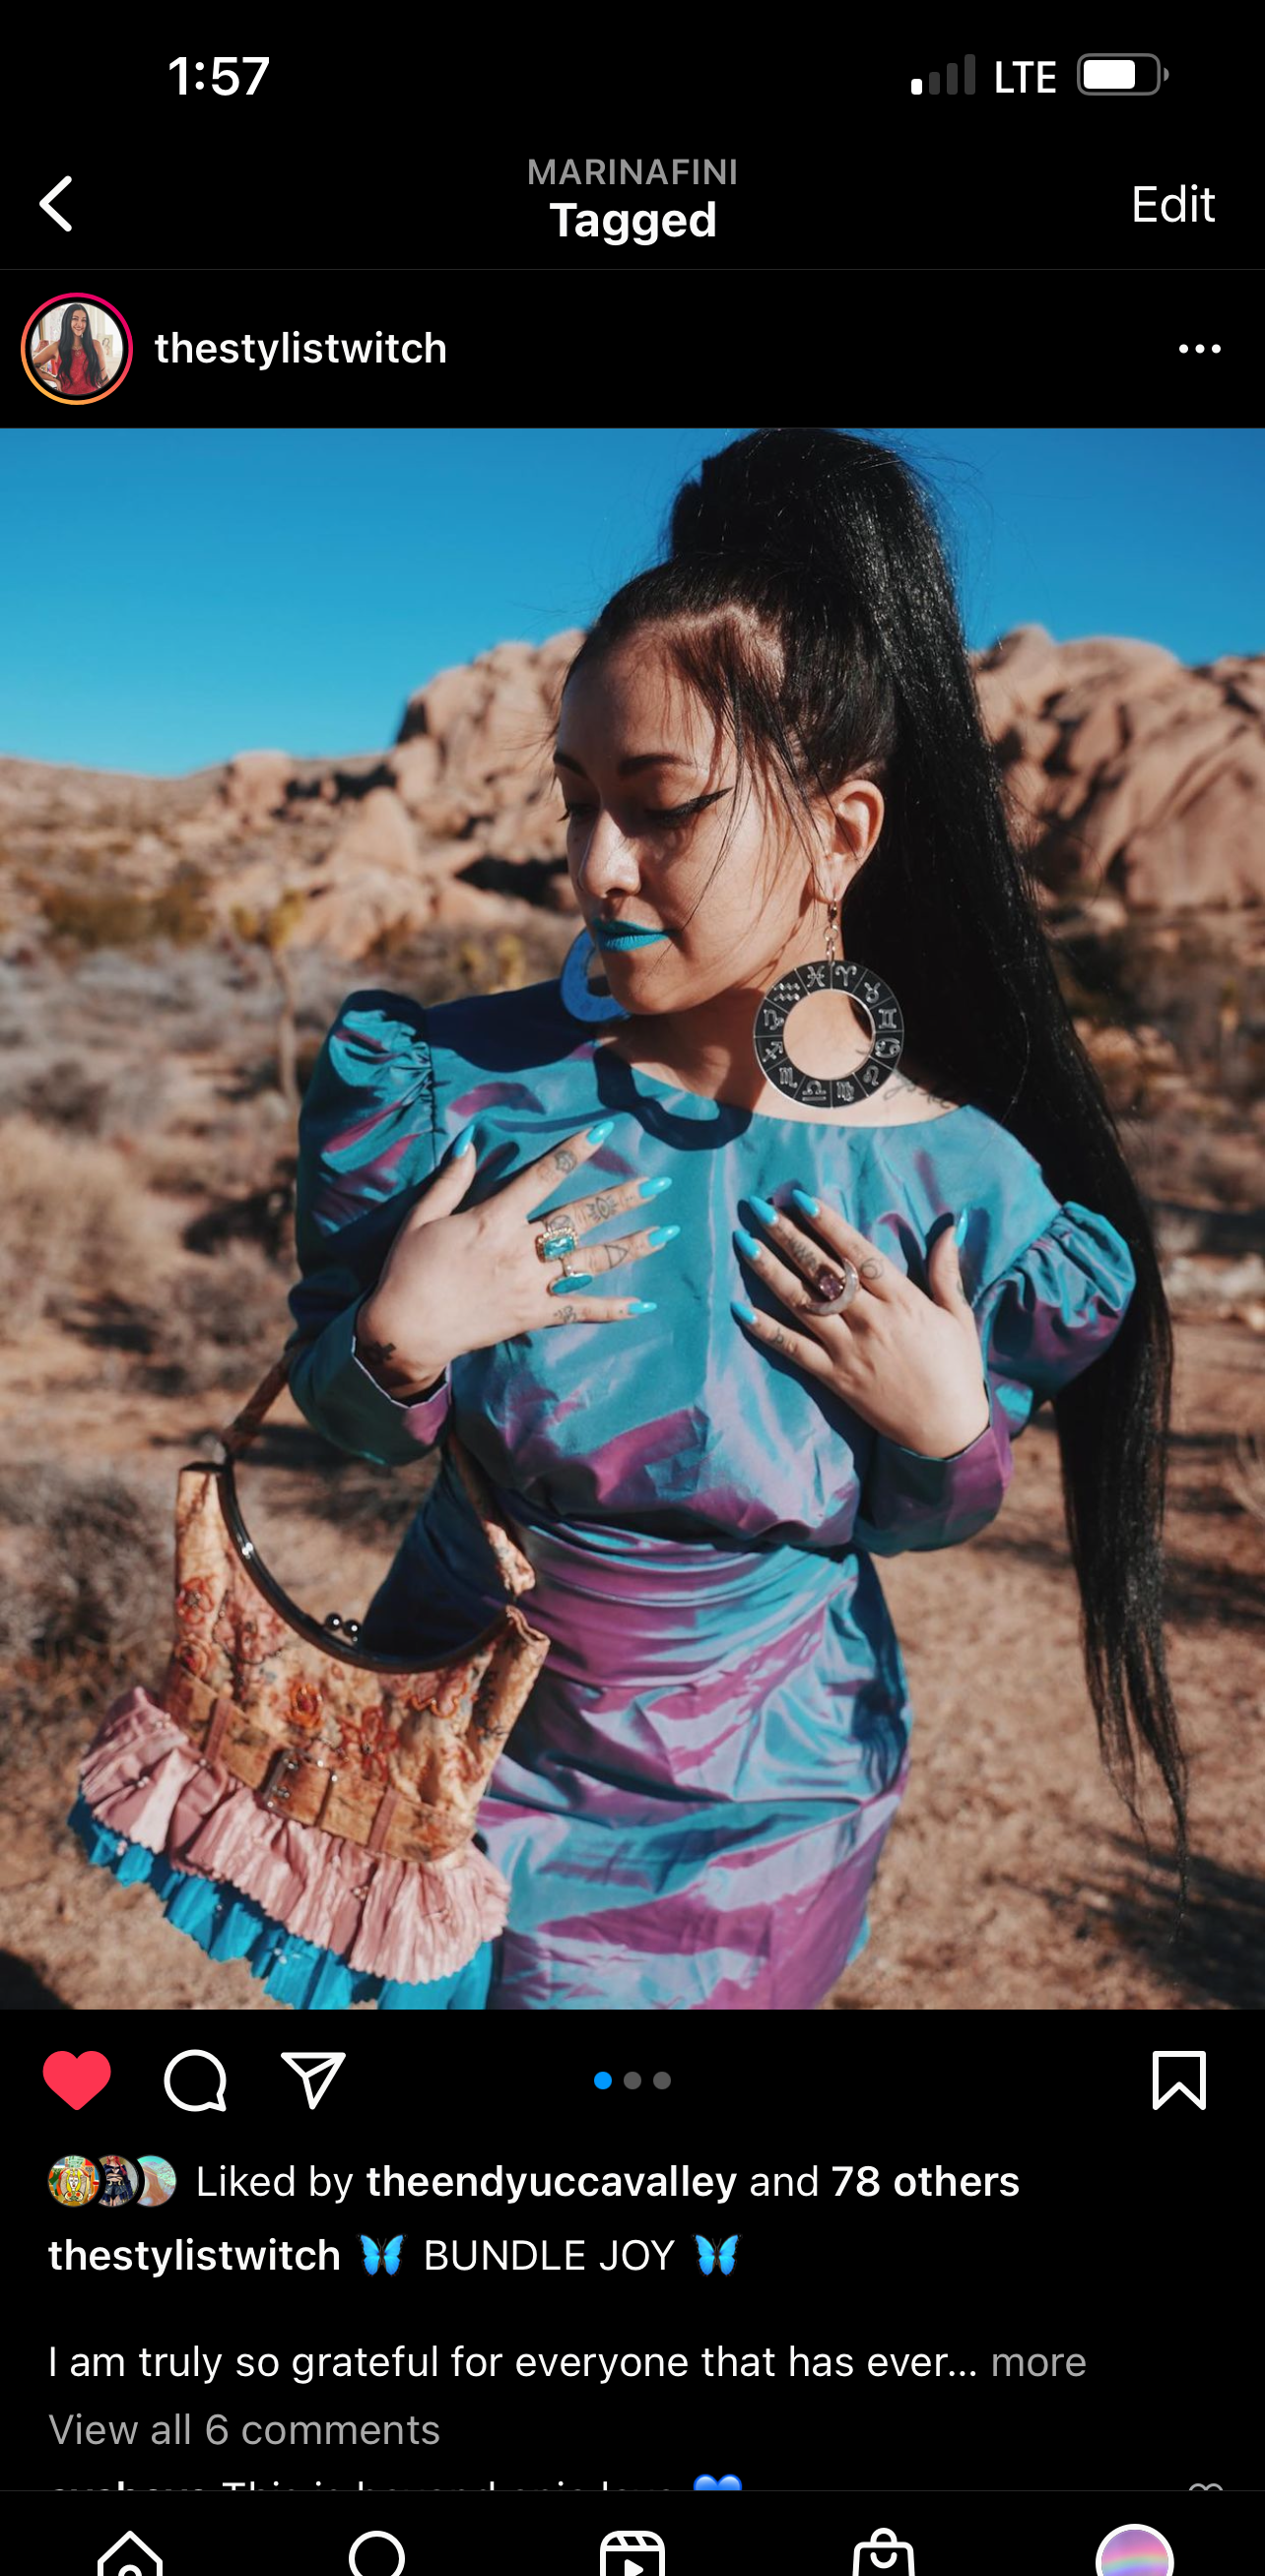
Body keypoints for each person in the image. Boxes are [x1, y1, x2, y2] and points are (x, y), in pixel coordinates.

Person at [68, 427, 1187, 2010]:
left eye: (659, 807)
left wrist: (949, 1433)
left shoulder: (966, 1189)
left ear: (840, 834)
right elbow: (352, 1420)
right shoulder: (455, 1088)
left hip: (764, 1808)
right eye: (577, 800)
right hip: (453, 1757)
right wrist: (397, 1339)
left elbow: (912, 1518)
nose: (598, 865)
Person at [31, 303, 107, 396]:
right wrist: (55, 379)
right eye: (75, 319)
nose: (80, 324)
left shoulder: (96, 345)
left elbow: (104, 378)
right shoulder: (56, 347)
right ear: (67, 320)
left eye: (84, 320)